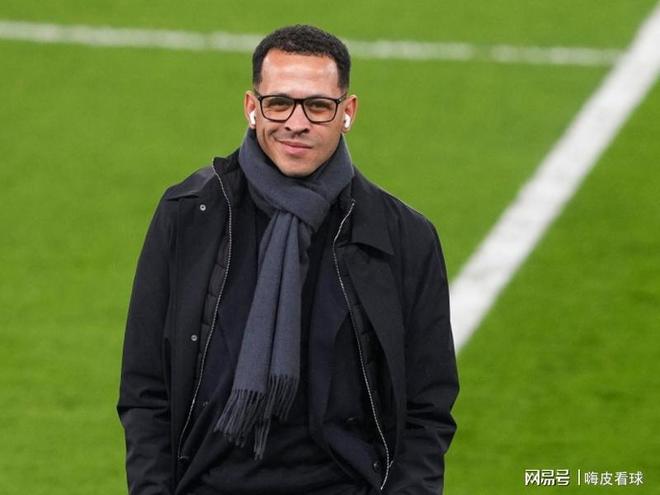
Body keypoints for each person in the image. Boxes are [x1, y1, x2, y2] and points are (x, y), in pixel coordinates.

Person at [117, 24, 459, 495]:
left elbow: (428, 406)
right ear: (251, 107)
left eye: (318, 106)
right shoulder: (188, 215)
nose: (296, 123)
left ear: (347, 112)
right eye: (279, 103)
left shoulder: (404, 237)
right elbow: (145, 389)